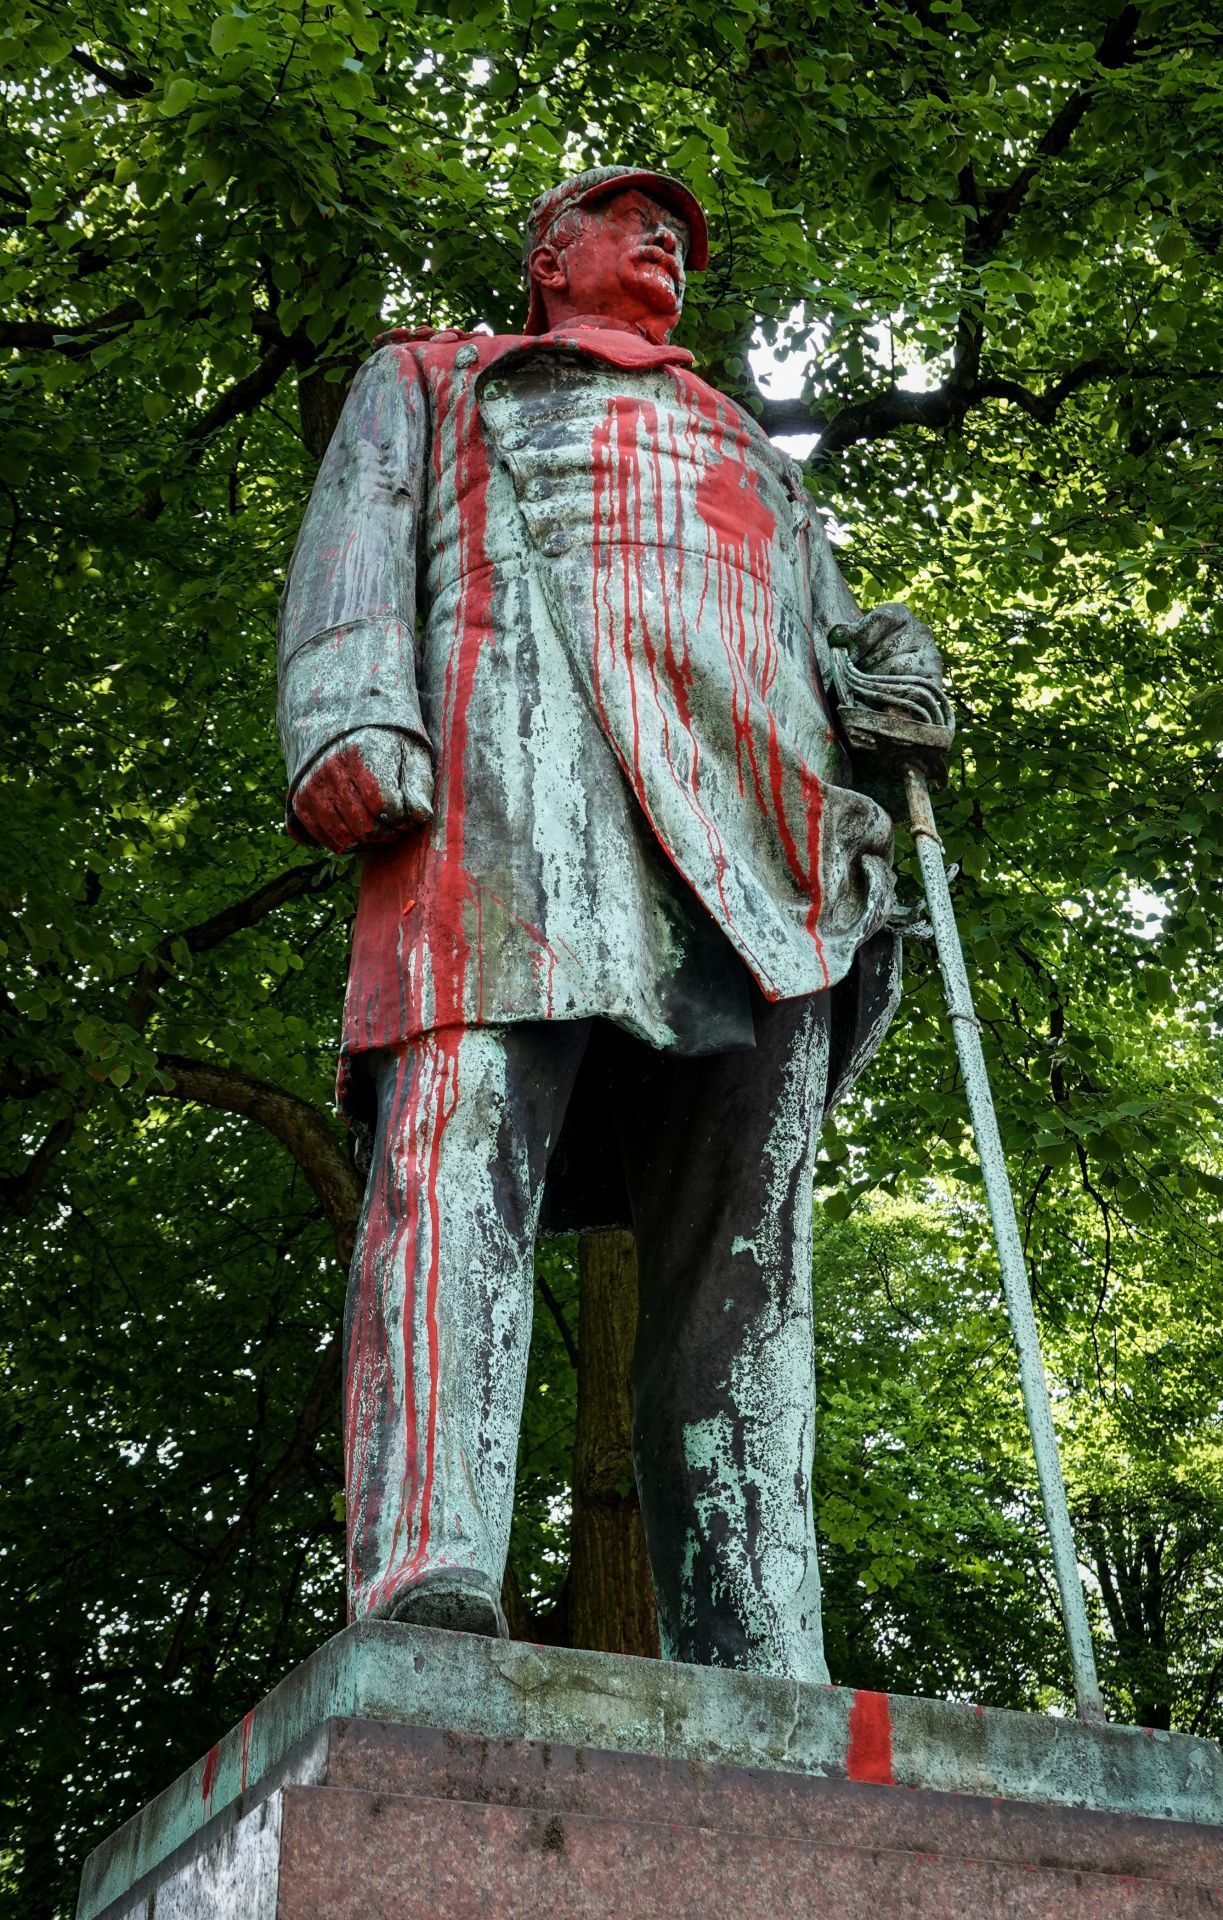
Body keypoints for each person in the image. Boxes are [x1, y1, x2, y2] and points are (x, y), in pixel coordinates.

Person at [276, 165, 951, 1683]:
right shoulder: (436, 379)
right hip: (515, 789)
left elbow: (826, 635)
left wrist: (882, 669)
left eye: (683, 236)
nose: (665, 243)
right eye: (630, 219)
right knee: (456, 1156)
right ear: (546, 256)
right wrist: (345, 710)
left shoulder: (755, 455)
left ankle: (758, 1632)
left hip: (763, 841)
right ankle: (433, 1568)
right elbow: (351, 547)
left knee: (749, 1250)